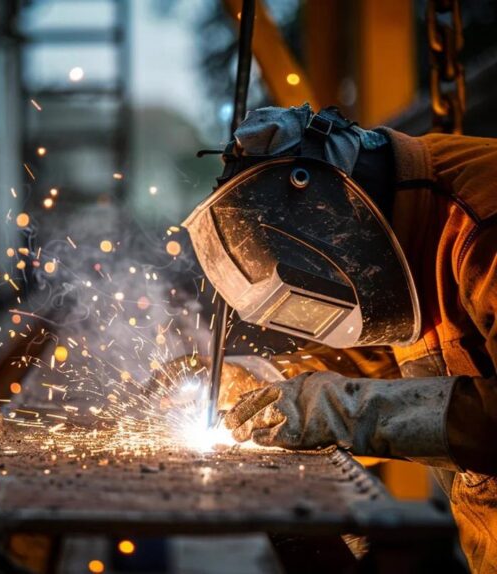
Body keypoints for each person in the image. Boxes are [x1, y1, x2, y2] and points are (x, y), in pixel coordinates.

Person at [183, 104, 496, 570]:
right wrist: (272, 385)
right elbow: (432, 361)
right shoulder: (405, 213)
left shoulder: (482, 223)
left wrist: (343, 408)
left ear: (338, 215)